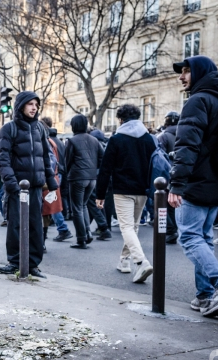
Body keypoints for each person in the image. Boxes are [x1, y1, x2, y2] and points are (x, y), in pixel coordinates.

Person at [169, 55, 218, 317]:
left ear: (199, 73)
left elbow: (186, 146)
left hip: (197, 182)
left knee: (189, 237)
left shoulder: (198, 100)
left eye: (186, 71)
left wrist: (176, 184)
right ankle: (205, 296)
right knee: (204, 238)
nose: (181, 76)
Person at [0, 91, 58, 278]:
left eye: (36, 104)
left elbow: (46, 158)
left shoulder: (40, 128)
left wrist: (51, 183)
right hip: (17, 187)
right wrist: (12, 185)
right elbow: (2, 160)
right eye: (30, 104)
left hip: (36, 186)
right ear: (21, 105)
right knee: (15, 225)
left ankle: (33, 264)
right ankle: (14, 262)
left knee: (35, 226)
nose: (34, 108)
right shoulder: (9, 129)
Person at [95, 104, 156, 283]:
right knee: (133, 226)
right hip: (143, 189)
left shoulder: (117, 139)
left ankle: (141, 261)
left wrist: (100, 194)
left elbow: (105, 169)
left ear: (120, 120)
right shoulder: (149, 139)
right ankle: (124, 261)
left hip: (122, 190)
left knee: (127, 227)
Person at [65, 114, 104, 249]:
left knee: (77, 208)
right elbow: (102, 158)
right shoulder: (94, 140)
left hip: (77, 177)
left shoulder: (72, 141)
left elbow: (67, 161)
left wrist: (68, 174)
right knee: (83, 206)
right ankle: (87, 233)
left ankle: (82, 238)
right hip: (91, 178)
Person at [42, 117, 73, 242]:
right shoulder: (56, 141)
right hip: (55, 174)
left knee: (47, 208)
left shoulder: (46, 142)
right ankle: (61, 228)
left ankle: (62, 228)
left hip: (49, 176)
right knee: (51, 205)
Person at [158, 111, 180, 244]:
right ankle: (173, 229)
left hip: (166, 173)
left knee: (162, 203)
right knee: (173, 203)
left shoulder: (163, 136)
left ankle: (171, 230)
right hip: (180, 172)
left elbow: (159, 157)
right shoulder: (185, 134)